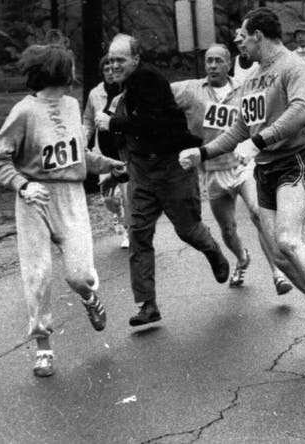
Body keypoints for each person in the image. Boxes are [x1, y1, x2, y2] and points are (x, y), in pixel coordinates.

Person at [0, 43, 126, 376]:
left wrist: (111, 164)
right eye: (69, 67)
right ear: (58, 71)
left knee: (80, 275)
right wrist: (23, 185)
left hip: (70, 197)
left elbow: (79, 156)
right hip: (34, 201)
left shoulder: (71, 105)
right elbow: (0, 158)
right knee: (38, 276)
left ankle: (89, 297)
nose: (73, 72)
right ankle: (43, 347)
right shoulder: (24, 112)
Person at [179, 7, 305, 306]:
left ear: (258, 35)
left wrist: (258, 141)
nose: (241, 43)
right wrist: (201, 152)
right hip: (265, 168)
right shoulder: (254, 77)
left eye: (244, 36)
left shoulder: (292, 66)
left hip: (294, 162)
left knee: (287, 240)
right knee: (280, 257)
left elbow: (302, 110)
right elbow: (240, 127)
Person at [95, 33, 231, 326]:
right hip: (142, 171)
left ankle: (213, 252)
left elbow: (152, 124)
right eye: (111, 60)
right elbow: (115, 134)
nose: (115, 65)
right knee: (138, 235)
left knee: (188, 231)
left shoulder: (149, 80)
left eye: (121, 60)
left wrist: (114, 122)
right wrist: (115, 156)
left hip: (172, 167)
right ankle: (148, 305)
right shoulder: (116, 87)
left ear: (136, 59)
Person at [171, 44, 294, 295]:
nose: (212, 66)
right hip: (213, 170)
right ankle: (241, 257)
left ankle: (278, 273)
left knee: (258, 214)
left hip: (243, 164)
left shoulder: (245, 87)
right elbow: (158, 95)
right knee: (227, 229)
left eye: (218, 61)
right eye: (208, 61)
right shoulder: (190, 89)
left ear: (229, 64)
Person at [83, 55, 130, 248]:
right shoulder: (95, 94)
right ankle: (118, 217)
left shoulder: (128, 90)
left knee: (127, 196)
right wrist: (83, 140)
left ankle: (128, 232)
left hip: (125, 153)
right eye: (106, 70)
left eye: (113, 68)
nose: (110, 73)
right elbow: (87, 120)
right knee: (109, 199)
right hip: (103, 153)